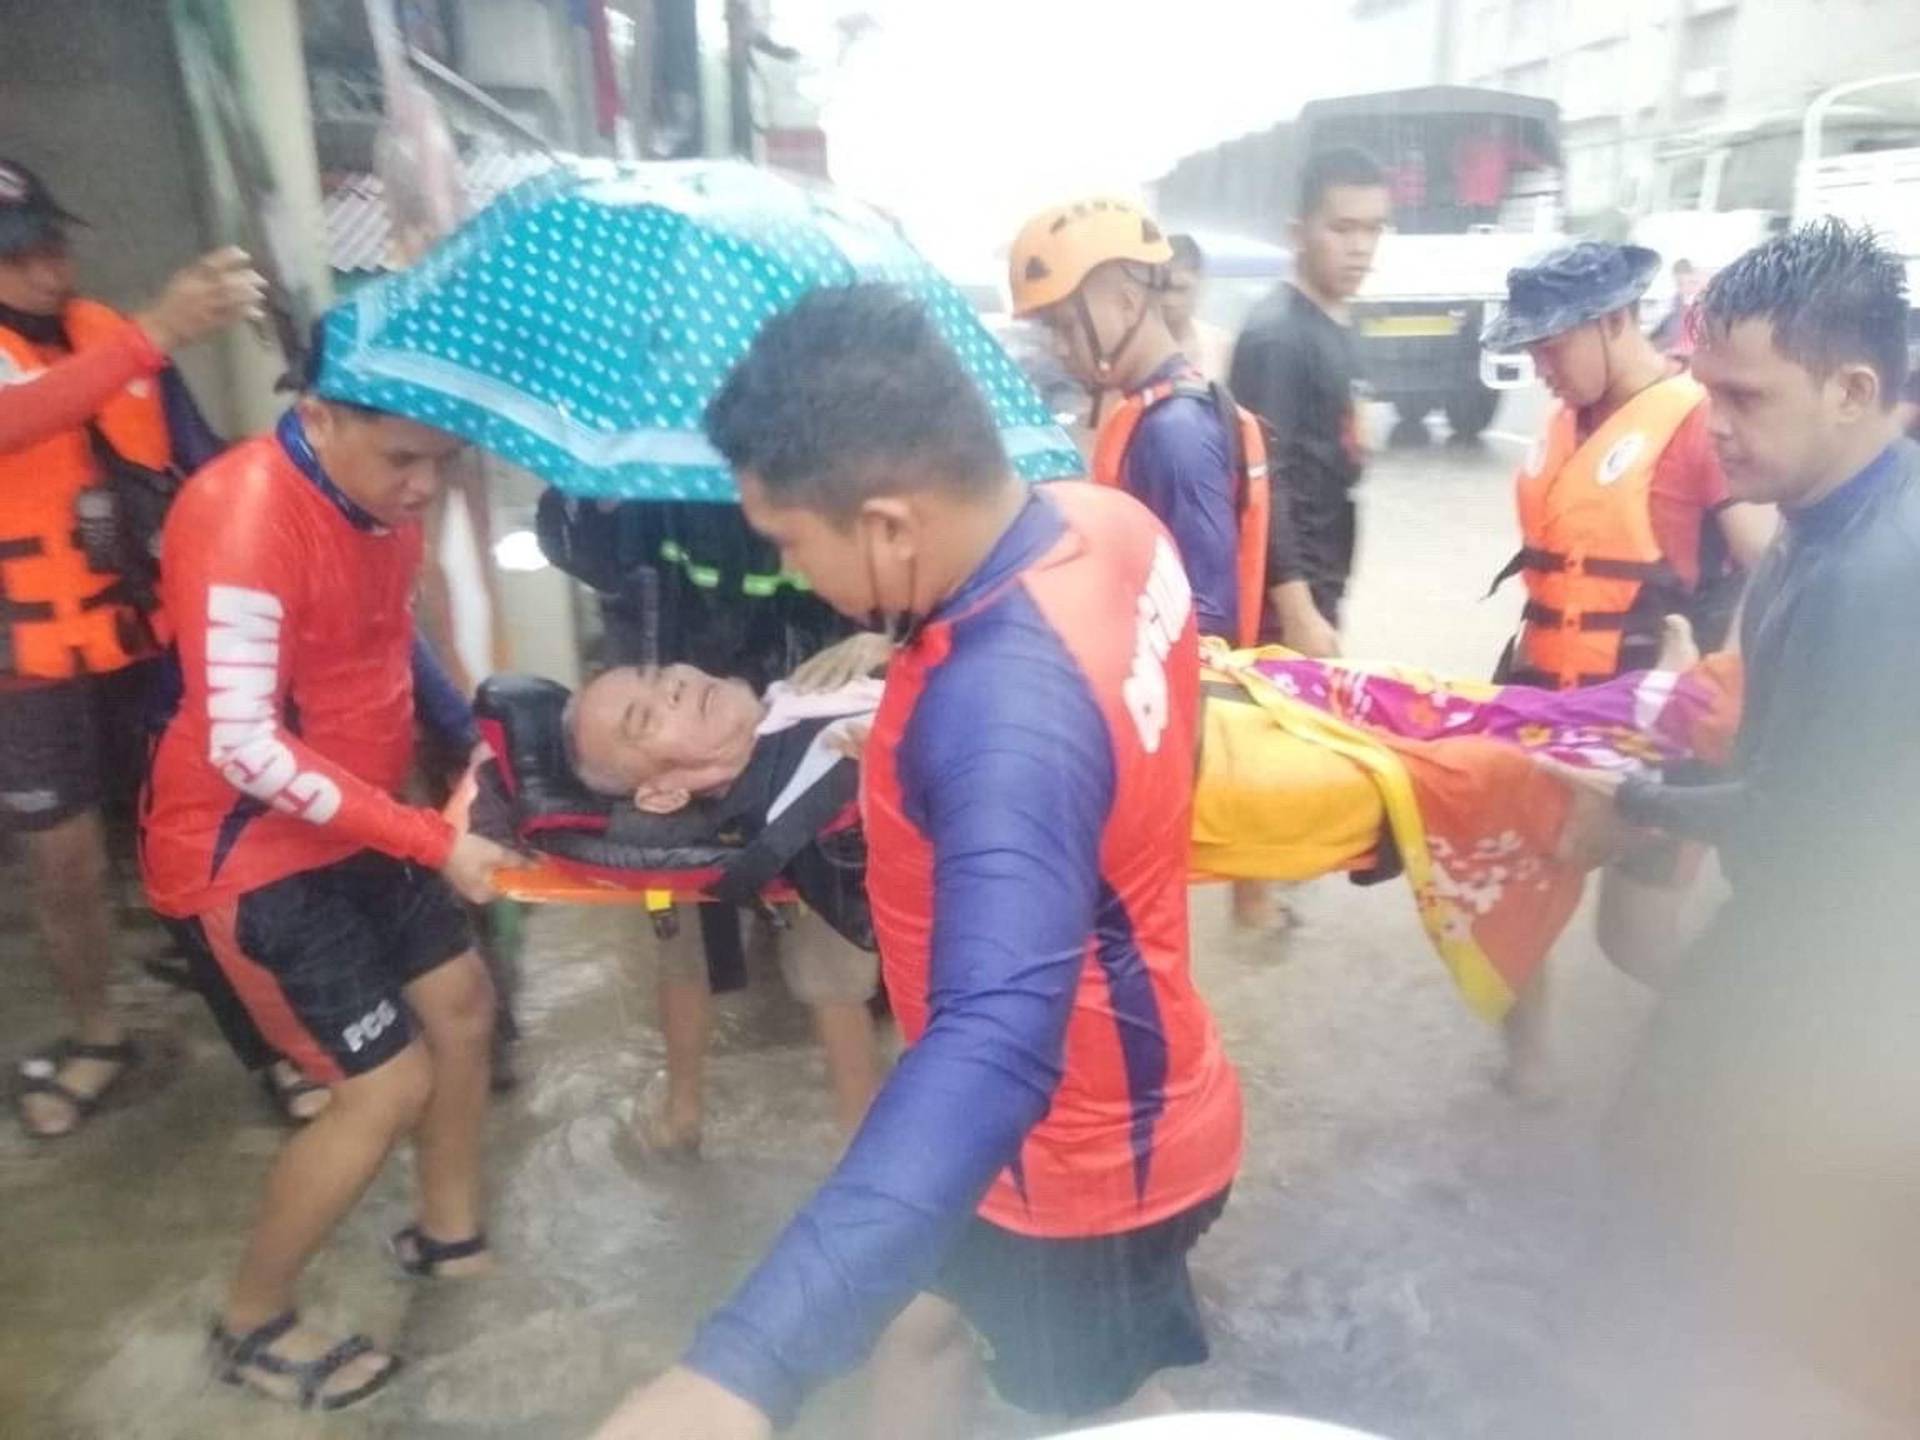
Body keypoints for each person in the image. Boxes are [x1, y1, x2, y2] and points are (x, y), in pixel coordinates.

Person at [592, 284, 1242, 1440]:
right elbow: (1160, 757)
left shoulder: (1002, 710)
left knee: (1107, 1407)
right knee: (918, 1323)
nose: (796, 579)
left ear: (890, 523)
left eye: (793, 544)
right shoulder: (1106, 524)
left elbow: (996, 1043)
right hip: (1130, 1062)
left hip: (1077, 1153)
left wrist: (741, 1371)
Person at [1549, 219, 1920, 1427]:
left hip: (1842, 969)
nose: (1714, 426)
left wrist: (1635, 811)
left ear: (1856, 389)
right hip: (1815, 935)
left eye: (1745, 397)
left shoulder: (1876, 572)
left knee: (1722, 1231)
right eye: (1705, 388)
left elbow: (1806, 826)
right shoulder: (1830, 516)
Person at [140, 386, 519, 1409]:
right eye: (404, 458)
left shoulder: (381, 507)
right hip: (245, 849)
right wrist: (432, 839)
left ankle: (446, 1232)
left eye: (442, 462)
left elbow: (396, 644)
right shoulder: (244, 513)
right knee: (382, 1087)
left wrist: (485, 739)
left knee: (464, 1005)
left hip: (359, 818)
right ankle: (251, 1318)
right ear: (318, 415)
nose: (425, 485)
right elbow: (244, 744)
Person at [0, 157, 265, 1137]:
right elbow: (19, 415)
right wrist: (159, 329)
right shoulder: (129, 338)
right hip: (25, 662)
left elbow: (199, 458)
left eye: (50, 242)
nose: (44, 267)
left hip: (143, 635)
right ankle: (97, 1032)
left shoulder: (111, 336)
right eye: (18, 254)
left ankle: (261, 1028)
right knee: (63, 861)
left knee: (197, 832)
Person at [1479, 238, 1779, 1091]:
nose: (1537, 362)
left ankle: (1767, 1044)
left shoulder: (1694, 423)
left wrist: (1719, 680)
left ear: (1613, 321)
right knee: (1510, 876)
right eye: (1529, 345)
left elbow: (1773, 564)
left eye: (1549, 343)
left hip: (1652, 722)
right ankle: (1528, 1060)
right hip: (1546, 701)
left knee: (1634, 936)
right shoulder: (1568, 417)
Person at [538, 488, 881, 1153]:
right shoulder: (638, 478)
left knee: (833, 966)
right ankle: (682, 1110)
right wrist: (594, 504)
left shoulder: (805, 477)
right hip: (686, 754)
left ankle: (860, 1135)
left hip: (798, 697)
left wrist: (878, 637)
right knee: (680, 940)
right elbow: (576, 548)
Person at [566, 659, 882, 1140]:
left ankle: (860, 1129)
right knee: (691, 952)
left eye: (658, 674)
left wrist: (887, 648)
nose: (671, 687)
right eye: (644, 718)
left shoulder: (803, 690)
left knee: (831, 977)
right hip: (795, 811)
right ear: (663, 794)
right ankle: (684, 1114)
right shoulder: (800, 808)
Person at [1007, 196, 1263, 648]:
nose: (1062, 349)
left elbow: (1207, 621)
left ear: (1126, 303)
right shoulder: (1147, 412)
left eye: (1067, 327)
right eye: (1052, 333)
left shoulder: (1175, 432)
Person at [1230, 146, 1392, 660]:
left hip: (1324, 588)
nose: (1360, 247)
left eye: (1373, 229)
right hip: (1285, 611)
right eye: (1342, 229)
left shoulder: (1338, 322)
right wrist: (1299, 616)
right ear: (1298, 233)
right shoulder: (1278, 336)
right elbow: (1264, 480)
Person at [1162, 234, 1234, 384]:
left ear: (1200, 285)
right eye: (1164, 288)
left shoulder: (1220, 348)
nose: (1170, 300)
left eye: (1181, 289)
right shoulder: (1138, 349)